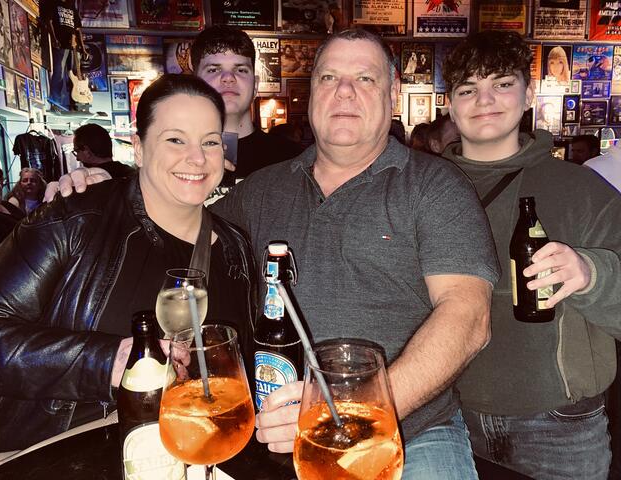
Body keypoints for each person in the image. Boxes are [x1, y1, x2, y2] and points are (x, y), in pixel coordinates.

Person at [44, 29, 500, 479]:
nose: (344, 92)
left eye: (365, 78)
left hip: (410, 431)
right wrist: (111, 190)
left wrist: (358, 413)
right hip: (278, 435)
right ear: (311, 92)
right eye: (329, 78)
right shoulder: (262, 190)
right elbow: (173, 219)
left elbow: (467, 316)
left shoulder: (435, 185)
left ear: (393, 92)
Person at [0, 74, 258, 453]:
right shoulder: (74, 219)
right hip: (66, 456)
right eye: (175, 139)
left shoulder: (234, 247)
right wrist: (107, 360)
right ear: (139, 148)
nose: (197, 158)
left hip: (187, 453)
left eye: (209, 141)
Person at [442, 30, 621, 479]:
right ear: (449, 105)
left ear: (528, 96)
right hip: (445, 420)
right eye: (468, 89)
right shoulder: (421, 189)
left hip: (559, 426)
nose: (485, 99)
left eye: (502, 83)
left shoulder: (581, 189)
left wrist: (591, 273)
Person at [191, 26, 304, 182]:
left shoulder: (293, 160)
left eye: (241, 70)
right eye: (213, 70)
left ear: (255, 86)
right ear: (195, 85)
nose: (228, 77)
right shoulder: (174, 157)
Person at [40, 0, 87, 111]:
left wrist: (83, 48)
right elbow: (49, 21)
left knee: (76, 77)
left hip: (74, 47)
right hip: (61, 44)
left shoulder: (72, 7)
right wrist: (54, 38)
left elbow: (78, 29)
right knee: (59, 73)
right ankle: (55, 103)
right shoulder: (53, 3)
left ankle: (78, 103)